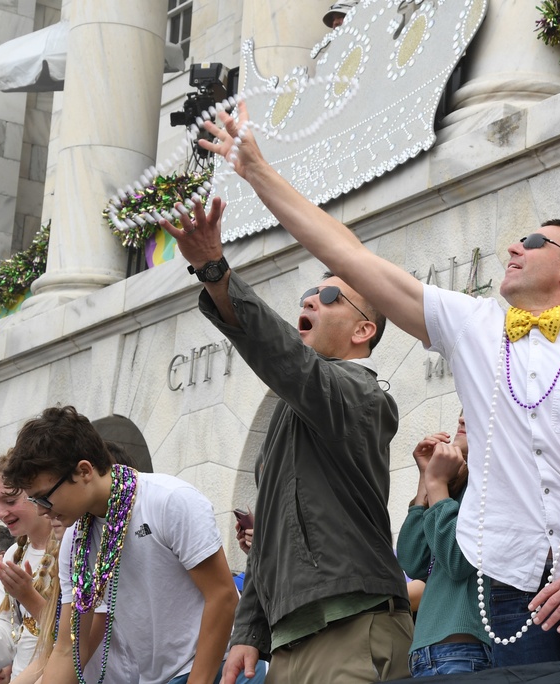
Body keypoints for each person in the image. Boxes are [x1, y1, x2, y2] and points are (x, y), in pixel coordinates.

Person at [186, 102, 560, 667]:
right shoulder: (476, 326)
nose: (512, 248)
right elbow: (348, 256)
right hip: (489, 583)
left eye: (532, 241)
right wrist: (256, 169)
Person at [163, 200, 412, 684]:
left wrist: (215, 271)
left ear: (365, 330)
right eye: (306, 294)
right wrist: (247, 631)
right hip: (289, 639)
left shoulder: (362, 394)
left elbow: (283, 358)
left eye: (329, 296)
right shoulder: (292, 412)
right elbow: (271, 536)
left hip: (352, 624)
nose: (310, 300)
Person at [2, 406, 238, 684]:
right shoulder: (76, 542)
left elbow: (222, 596)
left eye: (44, 498)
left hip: (221, 670)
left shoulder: (169, 500)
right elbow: (69, 648)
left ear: (84, 470)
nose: (42, 511)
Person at [398, 414, 492, 677]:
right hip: (428, 651)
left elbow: (457, 560)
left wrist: (437, 484)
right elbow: (412, 560)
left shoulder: (490, 483)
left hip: (463, 651)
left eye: (473, 407)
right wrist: (425, 479)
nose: (462, 417)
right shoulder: (459, 486)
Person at [0, 457, 57, 678]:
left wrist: (28, 595)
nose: (0, 513)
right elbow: (7, 630)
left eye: (9, 501)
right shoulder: (12, 555)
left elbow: (71, 637)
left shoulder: (70, 545)